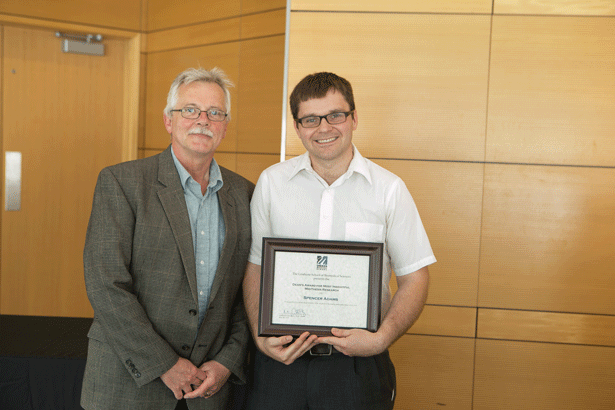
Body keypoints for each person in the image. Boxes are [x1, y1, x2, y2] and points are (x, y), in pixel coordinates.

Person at [243, 72, 436, 410]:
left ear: (354, 118)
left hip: (356, 368)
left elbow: (415, 277)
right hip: (281, 363)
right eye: (311, 119)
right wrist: (261, 340)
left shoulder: (389, 190)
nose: (324, 128)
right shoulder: (272, 183)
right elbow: (255, 266)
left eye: (335, 115)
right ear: (298, 126)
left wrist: (382, 339)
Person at [81, 67, 254, 410]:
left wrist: (226, 363)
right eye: (189, 109)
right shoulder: (123, 183)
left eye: (215, 113)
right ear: (168, 121)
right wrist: (165, 364)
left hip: (208, 389)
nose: (202, 120)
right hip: (128, 388)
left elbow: (246, 295)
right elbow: (105, 284)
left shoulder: (246, 194)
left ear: (225, 126)